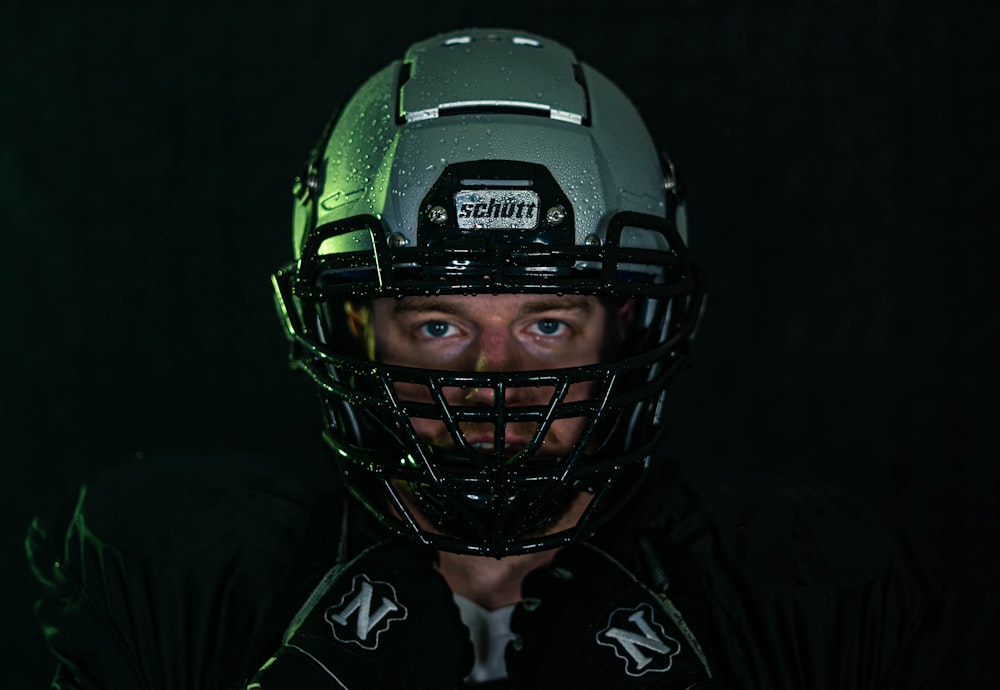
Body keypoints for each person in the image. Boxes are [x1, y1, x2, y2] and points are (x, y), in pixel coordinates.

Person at [27, 28, 949, 689]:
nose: (492, 378)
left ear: (625, 325)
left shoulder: (812, 586)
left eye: (548, 323)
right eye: (437, 325)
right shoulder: (178, 572)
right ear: (353, 330)